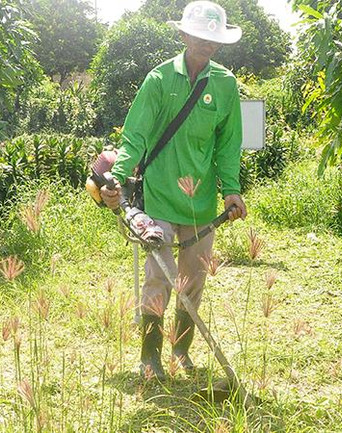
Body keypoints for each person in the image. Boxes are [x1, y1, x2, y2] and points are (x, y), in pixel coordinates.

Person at [100, 1, 247, 381]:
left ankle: (181, 349)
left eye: (213, 38)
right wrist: (117, 177)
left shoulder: (225, 84)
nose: (206, 44)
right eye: (199, 36)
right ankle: (150, 356)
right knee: (159, 277)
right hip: (159, 196)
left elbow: (228, 144)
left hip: (201, 203)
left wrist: (231, 190)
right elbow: (135, 136)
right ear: (183, 35)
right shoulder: (159, 79)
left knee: (194, 280)